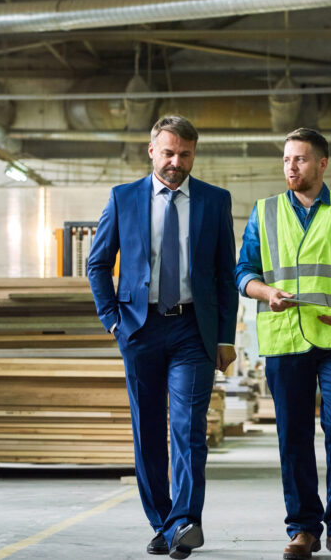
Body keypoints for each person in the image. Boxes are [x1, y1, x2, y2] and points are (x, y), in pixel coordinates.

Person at [88, 115, 238, 559]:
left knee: (189, 429)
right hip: (140, 328)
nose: (176, 162)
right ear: (151, 150)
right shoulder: (123, 198)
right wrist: (113, 321)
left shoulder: (214, 201)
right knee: (147, 429)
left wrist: (225, 337)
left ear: (194, 154)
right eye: (169, 153)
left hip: (194, 330)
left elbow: (226, 276)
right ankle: (162, 522)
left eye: (185, 154)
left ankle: (186, 522)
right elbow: (98, 264)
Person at [235, 128, 331, 560]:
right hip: (284, 337)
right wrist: (267, 293)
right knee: (293, 435)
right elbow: (243, 272)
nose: (290, 168)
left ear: (322, 164)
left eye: (299, 160)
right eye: (286, 160)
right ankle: (303, 528)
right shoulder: (263, 213)